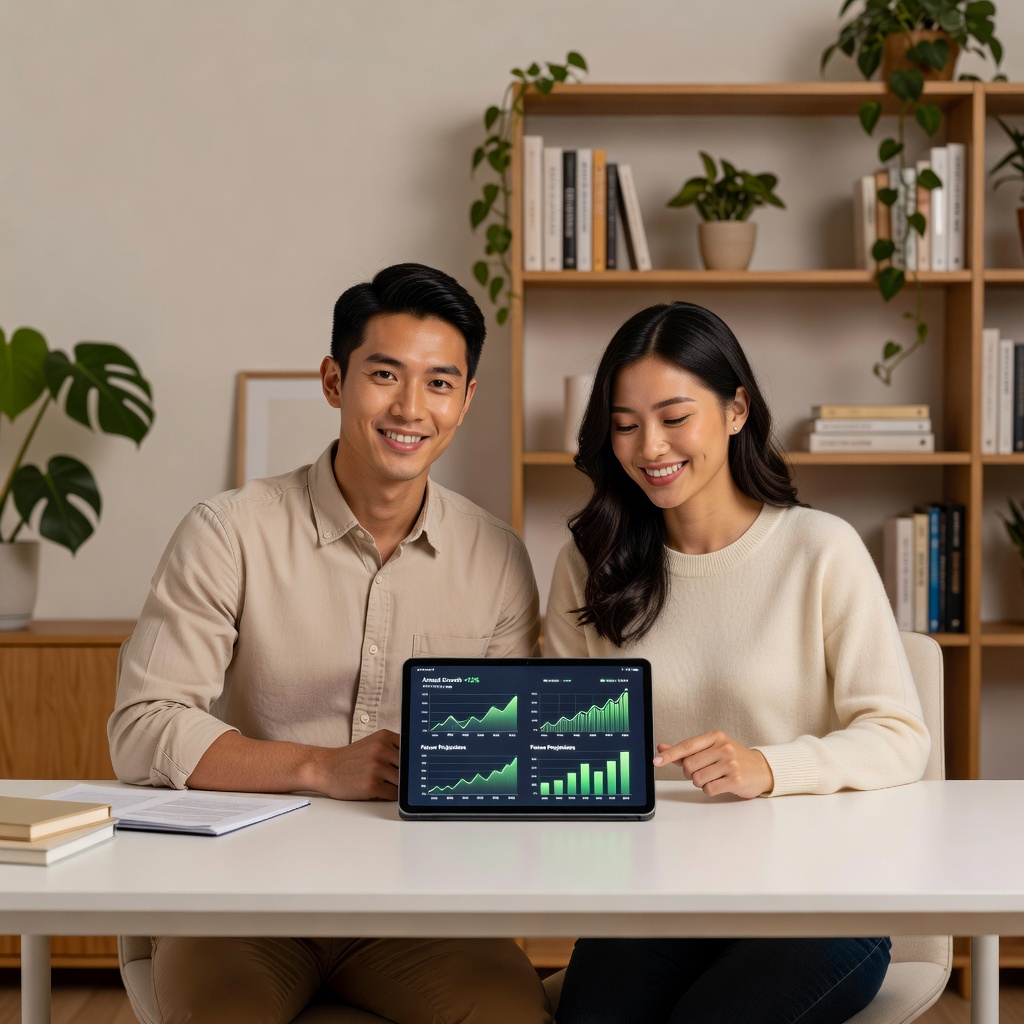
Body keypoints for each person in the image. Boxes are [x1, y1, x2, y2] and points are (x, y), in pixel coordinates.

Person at [108, 263, 551, 1024]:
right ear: (334, 381)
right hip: (239, 902)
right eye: (385, 374)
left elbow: (508, 763)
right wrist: (319, 768)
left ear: (467, 400)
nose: (411, 407)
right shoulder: (229, 532)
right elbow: (144, 724)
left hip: (417, 914)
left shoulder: (498, 557)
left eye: (440, 383)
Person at [545, 301, 930, 1024]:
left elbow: (901, 735)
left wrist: (770, 767)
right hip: (658, 905)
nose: (649, 446)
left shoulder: (821, 549)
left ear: (736, 409)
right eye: (624, 425)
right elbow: (566, 755)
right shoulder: (587, 564)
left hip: (820, 904)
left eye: (674, 416)